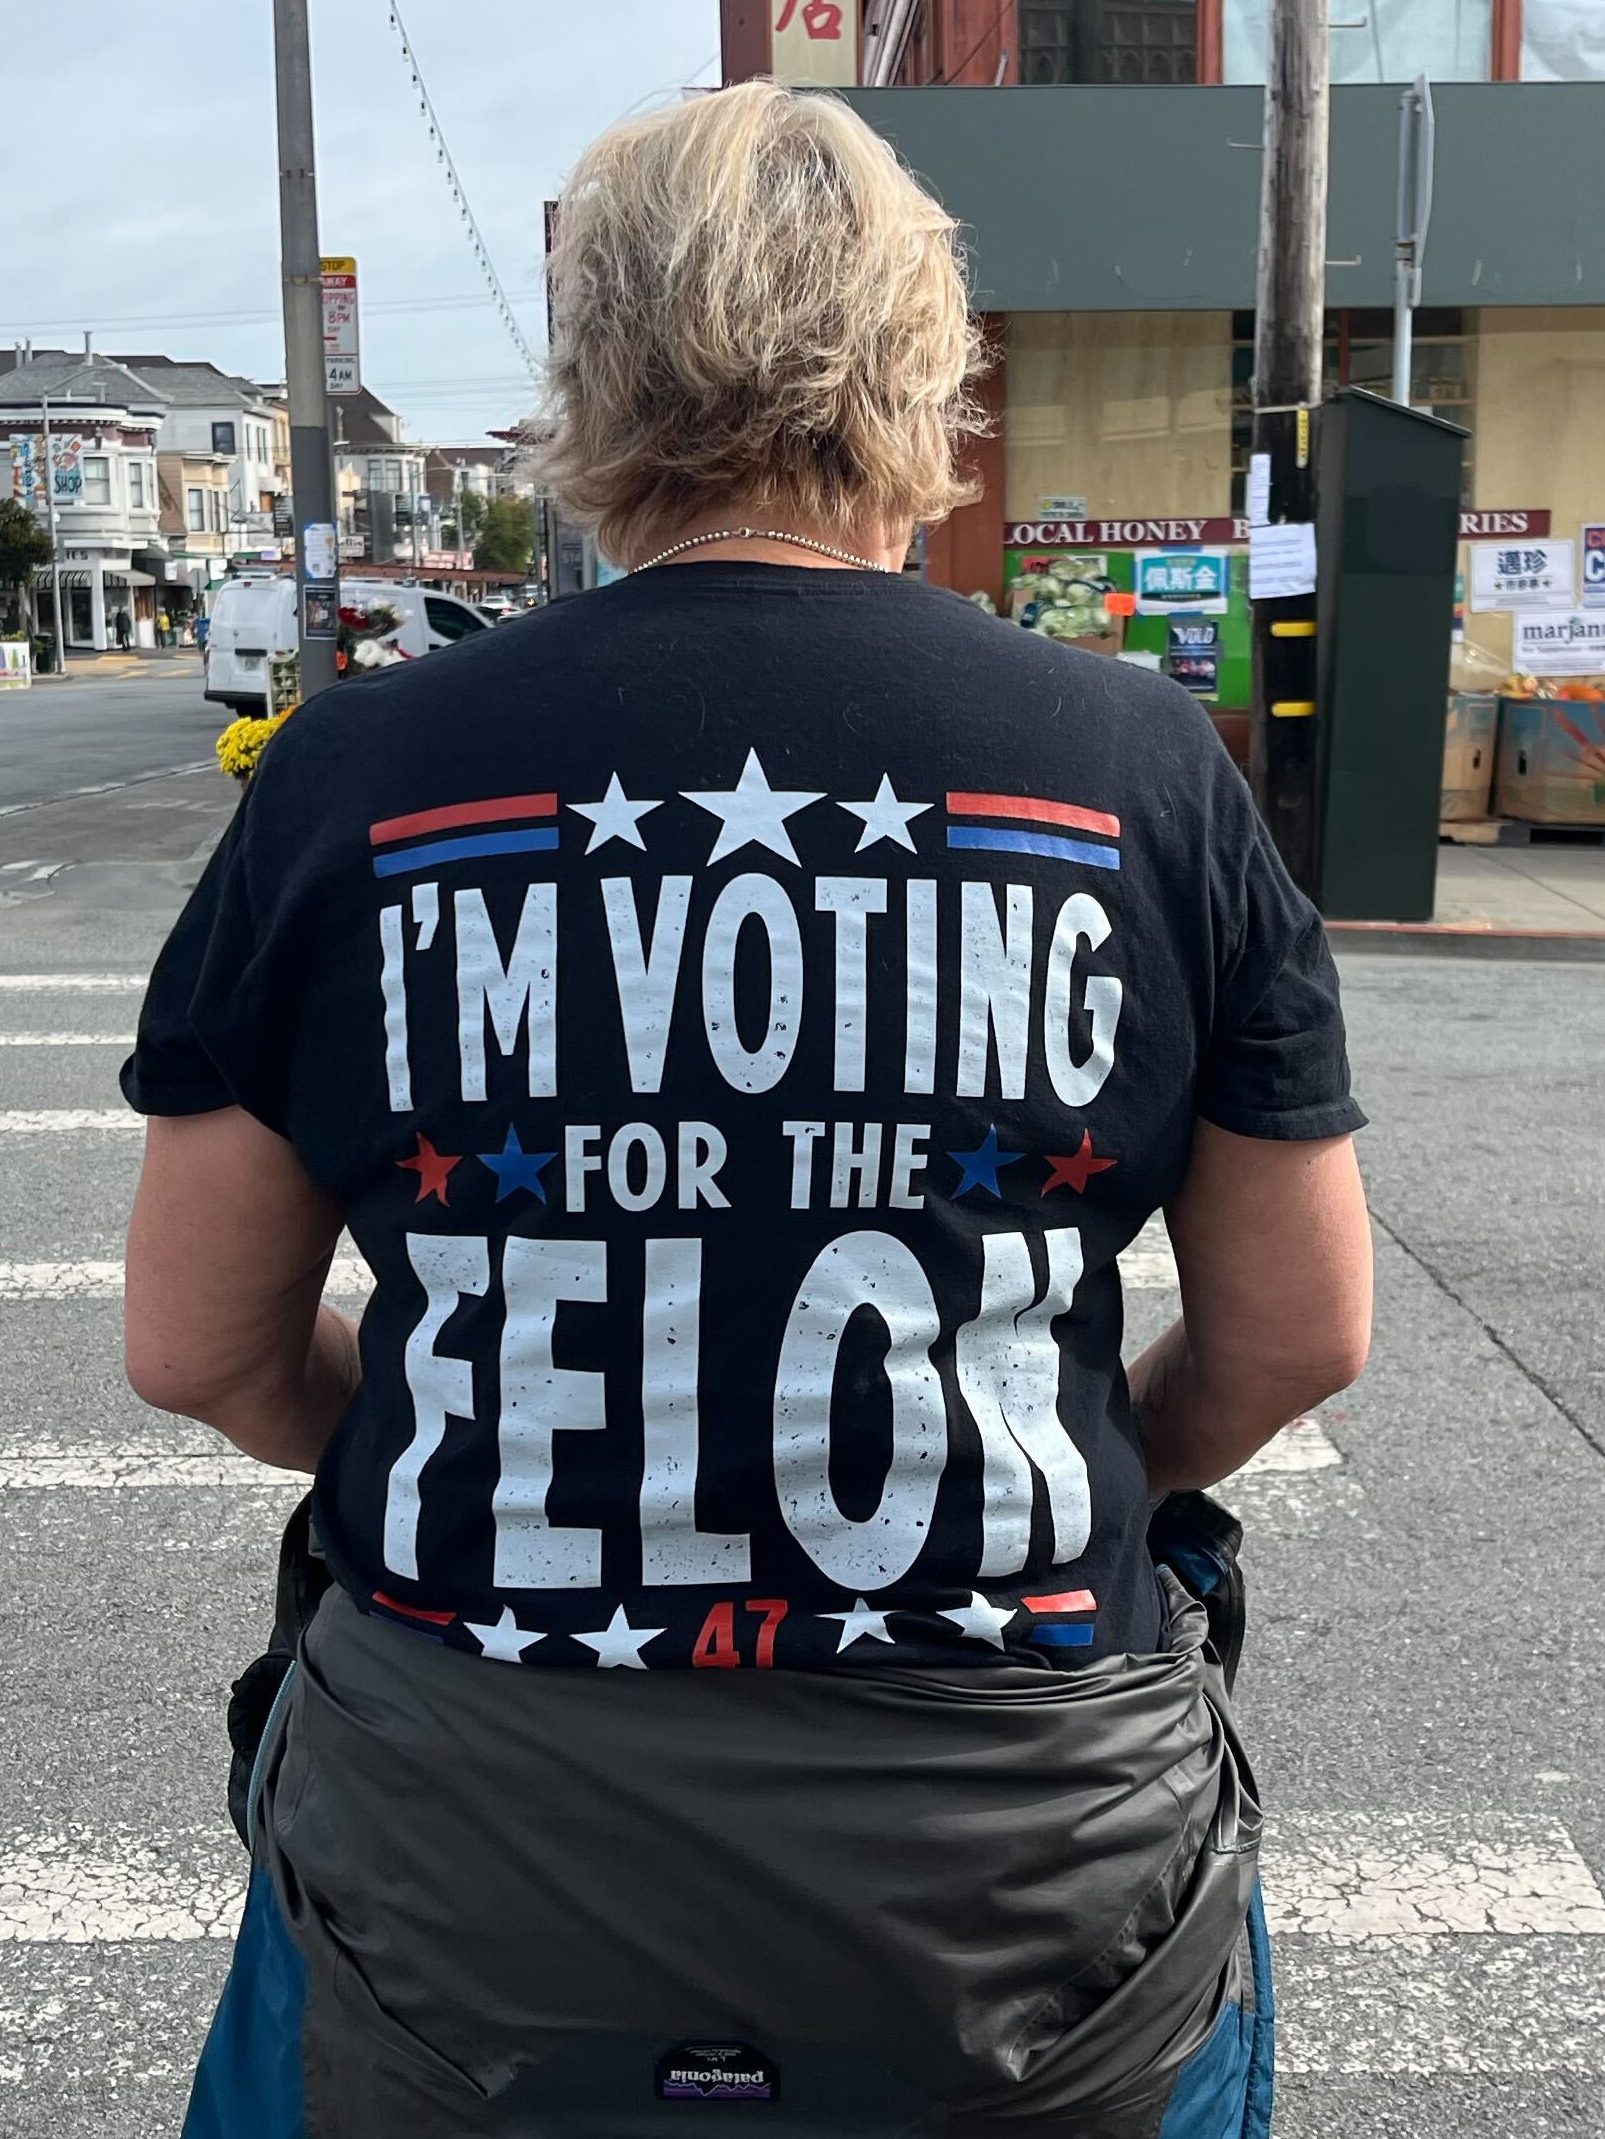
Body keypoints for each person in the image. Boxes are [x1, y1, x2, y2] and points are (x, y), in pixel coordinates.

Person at [123, 80, 1371, 2139]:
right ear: (920, 365)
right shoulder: (1140, 768)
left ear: (589, 374)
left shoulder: (354, 774)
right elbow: (1297, 1331)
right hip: (1027, 1887)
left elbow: (194, 1346)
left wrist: (496, 1434)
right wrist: (1068, 1461)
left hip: (468, 1878)